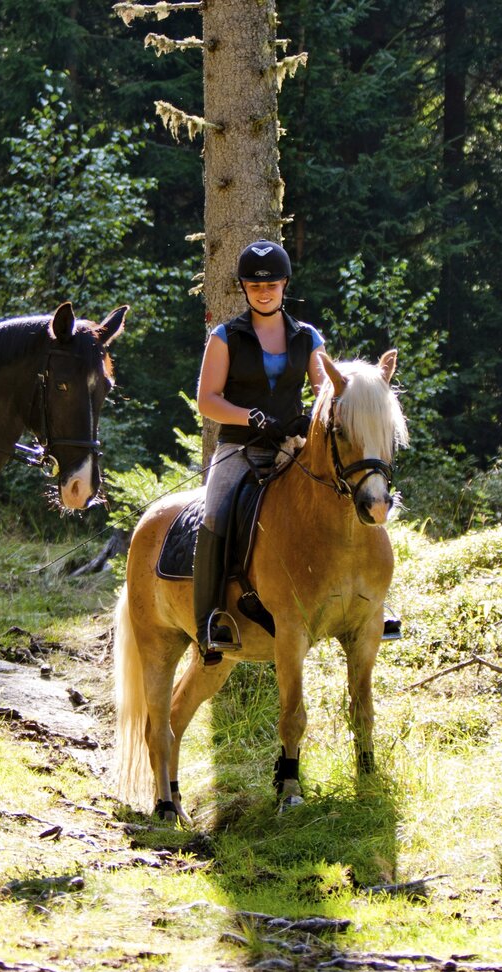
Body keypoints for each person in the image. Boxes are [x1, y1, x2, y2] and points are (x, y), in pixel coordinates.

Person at [193, 239, 325, 664]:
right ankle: (210, 620)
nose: (263, 292)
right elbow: (207, 400)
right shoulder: (225, 336)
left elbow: (326, 393)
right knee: (214, 513)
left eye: (271, 284)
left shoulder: (308, 337)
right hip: (239, 449)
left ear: (285, 284)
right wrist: (248, 416)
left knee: (346, 494)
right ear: (244, 288)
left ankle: (368, 603)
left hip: (291, 447)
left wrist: (310, 419)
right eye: (254, 285)